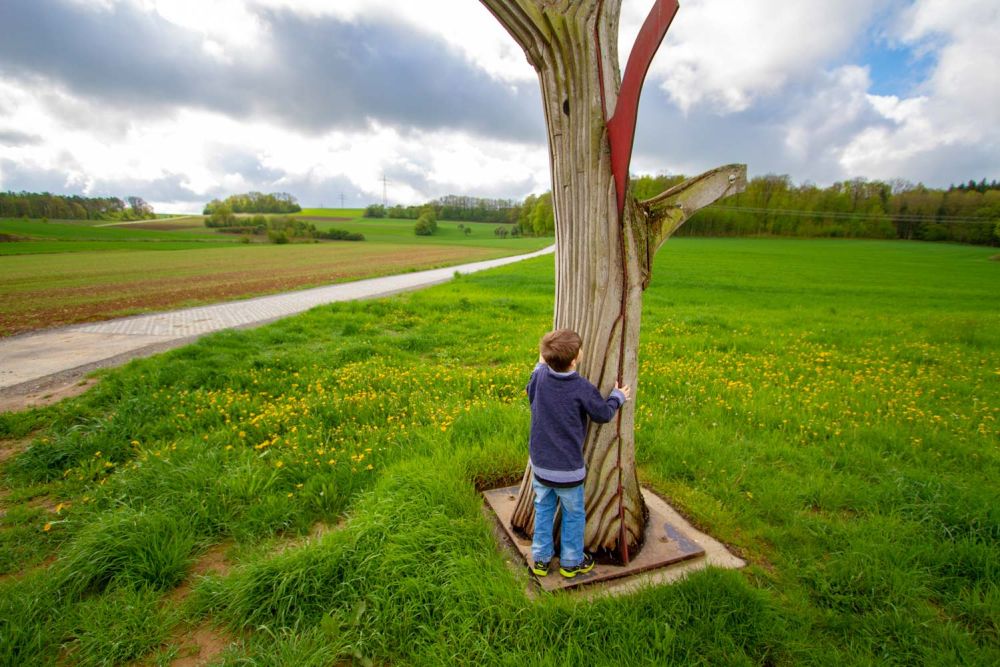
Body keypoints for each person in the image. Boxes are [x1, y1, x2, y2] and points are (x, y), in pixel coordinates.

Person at [526, 328, 631, 578]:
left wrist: (542, 361)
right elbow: (602, 414)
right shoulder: (581, 388)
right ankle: (571, 562)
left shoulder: (539, 379)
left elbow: (532, 383)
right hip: (569, 471)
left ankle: (540, 559)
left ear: (545, 357)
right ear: (575, 360)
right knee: (573, 515)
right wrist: (617, 397)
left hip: (540, 467)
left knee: (543, 509)